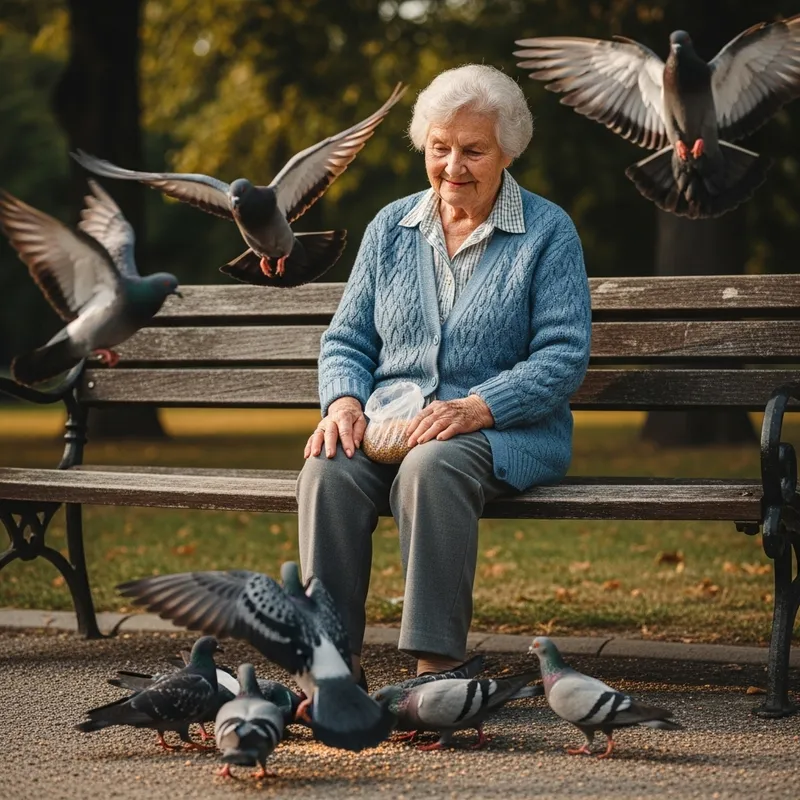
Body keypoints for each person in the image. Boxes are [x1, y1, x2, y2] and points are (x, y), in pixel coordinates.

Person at [297, 64, 592, 685]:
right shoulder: (390, 227)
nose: (453, 165)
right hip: (390, 423)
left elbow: (563, 356)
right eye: (440, 148)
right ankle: (330, 669)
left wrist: (478, 407)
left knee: (433, 464)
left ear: (507, 151)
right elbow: (347, 339)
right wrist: (344, 403)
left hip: (504, 432)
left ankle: (438, 670)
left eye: (473, 150)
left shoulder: (547, 232)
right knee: (327, 468)